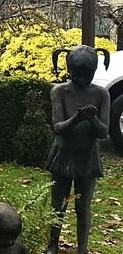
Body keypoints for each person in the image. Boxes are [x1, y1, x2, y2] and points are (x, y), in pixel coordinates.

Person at [46, 45, 110, 254]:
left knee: (83, 207)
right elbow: (57, 127)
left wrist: (91, 118)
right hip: (62, 156)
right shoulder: (59, 91)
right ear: (69, 71)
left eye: (86, 76)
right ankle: (53, 244)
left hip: (87, 158)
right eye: (76, 76)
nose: (81, 80)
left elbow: (103, 132)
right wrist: (76, 118)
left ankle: (82, 248)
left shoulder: (101, 94)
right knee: (58, 205)